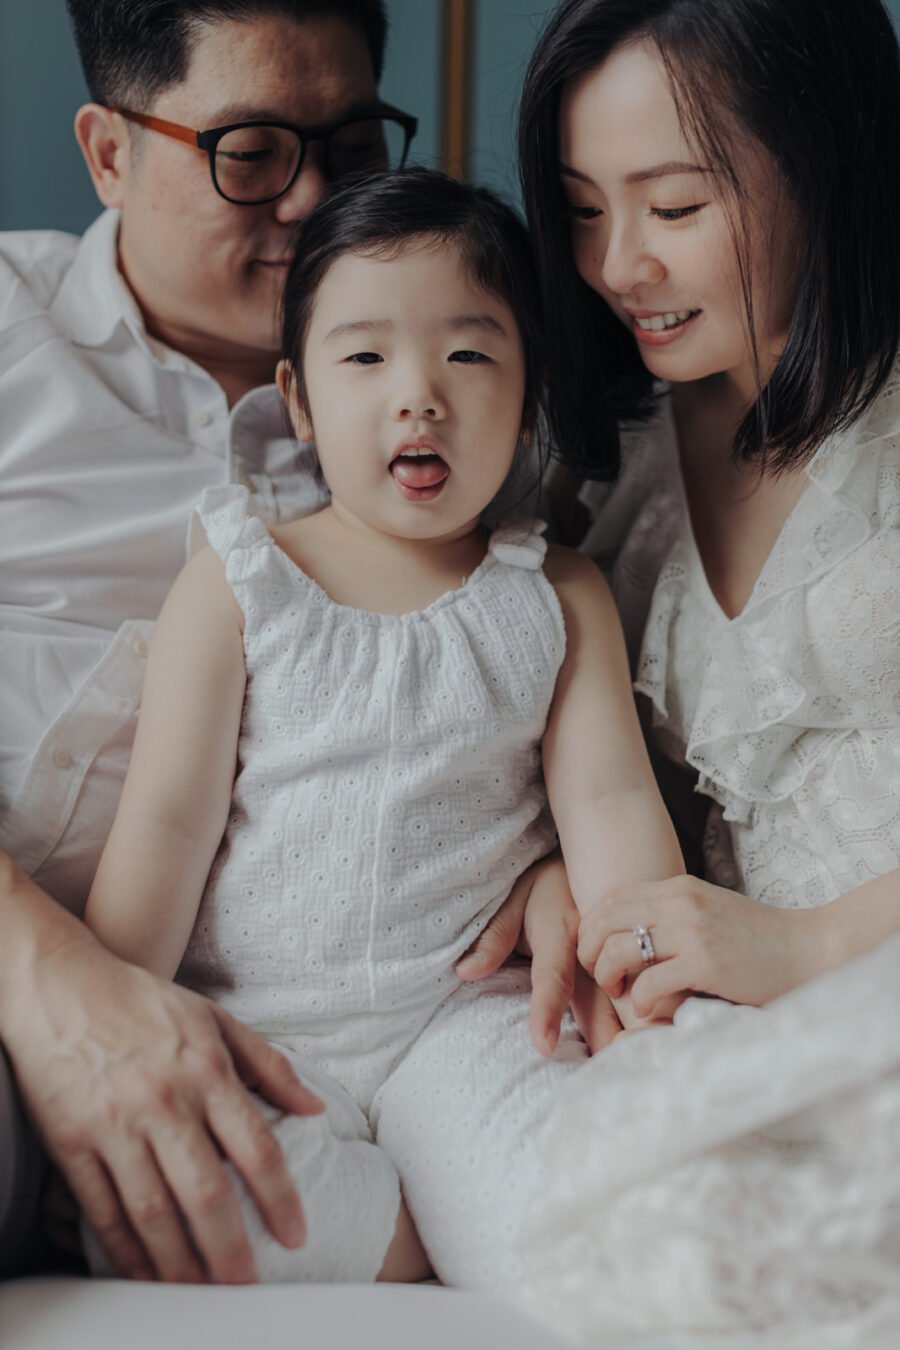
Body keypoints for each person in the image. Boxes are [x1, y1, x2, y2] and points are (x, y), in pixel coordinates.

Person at [0, 0, 607, 1288]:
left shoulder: (431, 427)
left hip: (398, 1025)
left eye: (351, 143)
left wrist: (576, 867)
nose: (313, 198)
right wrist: (55, 983)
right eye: (254, 150)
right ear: (108, 152)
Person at [82, 166, 686, 1285]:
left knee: (575, 1217)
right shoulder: (242, 578)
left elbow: (608, 809)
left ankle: (475, 1216)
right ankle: (403, 1234)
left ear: (528, 389)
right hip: (256, 1028)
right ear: (299, 399)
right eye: (364, 358)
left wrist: (651, 997)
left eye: (468, 355)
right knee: (181, 1200)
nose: (420, 394)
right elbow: (167, 821)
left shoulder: (554, 598)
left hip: (462, 1026)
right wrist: (114, 1011)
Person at [505, 0, 900, 1336]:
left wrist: (813, 944)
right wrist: (558, 867)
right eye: (578, 207)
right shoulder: (609, 469)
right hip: (755, 1038)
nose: (618, 267)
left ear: (825, 158)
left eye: (674, 206)